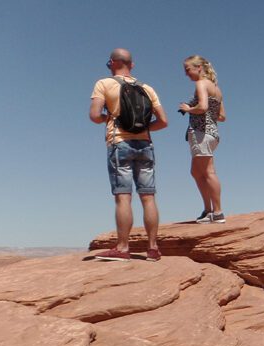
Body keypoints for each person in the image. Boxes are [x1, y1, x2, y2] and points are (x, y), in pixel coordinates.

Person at [89, 48, 168, 262]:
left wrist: (112, 119)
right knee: (148, 197)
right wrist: (143, 129)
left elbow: (94, 115)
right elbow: (163, 121)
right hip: (145, 145)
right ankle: (153, 248)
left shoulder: (104, 84)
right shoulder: (147, 88)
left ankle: (123, 248)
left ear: (112, 63)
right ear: (131, 65)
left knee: (123, 197)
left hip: (119, 144)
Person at [179, 55, 227, 224]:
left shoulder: (200, 84)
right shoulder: (216, 88)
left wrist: (188, 108)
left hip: (201, 132)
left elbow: (203, 107)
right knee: (196, 172)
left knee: (208, 172)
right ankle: (209, 210)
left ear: (199, 67)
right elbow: (222, 116)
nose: (186, 74)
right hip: (212, 133)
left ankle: (217, 212)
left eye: (188, 69)